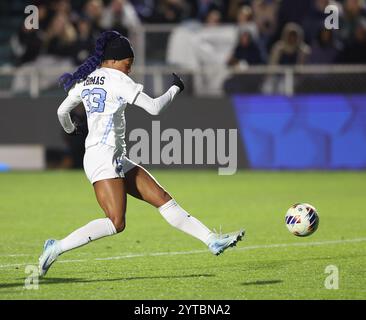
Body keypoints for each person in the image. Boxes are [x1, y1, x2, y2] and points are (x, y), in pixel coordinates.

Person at [38, 30, 244, 277]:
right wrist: (176, 88)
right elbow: (154, 108)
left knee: (163, 198)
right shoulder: (118, 79)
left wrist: (73, 130)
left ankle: (212, 239)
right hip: (104, 159)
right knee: (116, 222)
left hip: (110, 157)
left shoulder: (88, 79)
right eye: (128, 64)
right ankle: (57, 247)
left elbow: (62, 112)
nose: (130, 70)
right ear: (114, 61)